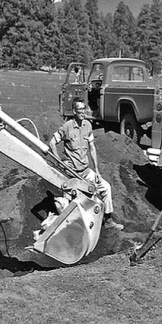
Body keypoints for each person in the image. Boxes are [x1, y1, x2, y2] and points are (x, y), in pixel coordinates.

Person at [48, 97, 123, 230]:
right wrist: (59, 162)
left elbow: (92, 148)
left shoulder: (87, 125)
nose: (83, 112)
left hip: (85, 171)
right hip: (71, 173)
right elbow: (52, 143)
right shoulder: (67, 127)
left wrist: (97, 171)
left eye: (84, 109)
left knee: (105, 187)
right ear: (74, 111)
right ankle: (70, 229)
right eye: (80, 109)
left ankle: (108, 220)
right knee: (70, 203)